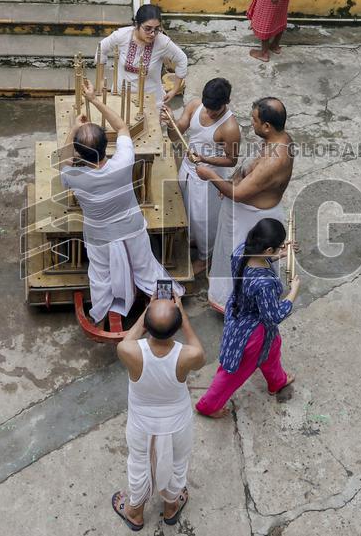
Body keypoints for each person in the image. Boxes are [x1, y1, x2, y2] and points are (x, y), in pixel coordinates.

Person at [59, 80, 183, 323]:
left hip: (99, 236)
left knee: (100, 275)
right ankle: (171, 303)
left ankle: (104, 310)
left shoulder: (73, 176)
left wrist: (73, 129)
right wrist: (95, 99)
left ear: (78, 153)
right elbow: (123, 127)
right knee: (147, 268)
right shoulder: (124, 161)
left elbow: (63, 158)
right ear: (107, 146)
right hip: (132, 229)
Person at [112, 297, 207, 531]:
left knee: (139, 464)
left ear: (146, 323)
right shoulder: (187, 355)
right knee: (177, 463)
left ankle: (134, 511)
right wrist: (182, 316)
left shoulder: (129, 351)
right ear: (177, 326)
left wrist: (147, 313)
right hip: (178, 424)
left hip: (141, 425)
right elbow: (200, 352)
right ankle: (171, 506)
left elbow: (129, 338)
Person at [198, 97, 294, 312]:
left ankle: (239, 306)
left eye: (254, 120)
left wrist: (210, 175)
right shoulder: (278, 138)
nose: (252, 123)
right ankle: (224, 297)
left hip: (253, 219)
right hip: (242, 211)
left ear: (267, 126)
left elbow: (239, 194)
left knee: (243, 263)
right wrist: (234, 178)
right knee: (229, 254)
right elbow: (249, 169)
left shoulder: (275, 159)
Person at [196, 219, 299, 418]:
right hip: (253, 332)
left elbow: (259, 259)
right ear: (267, 249)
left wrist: (280, 254)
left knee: (273, 347)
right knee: (234, 372)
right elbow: (273, 316)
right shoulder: (265, 284)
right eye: (277, 248)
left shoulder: (242, 250)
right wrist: (293, 292)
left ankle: (277, 381)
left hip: (239, 311)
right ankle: (208, 406)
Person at [161, 78, 241, 275]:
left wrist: (205, 159)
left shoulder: (230, 128)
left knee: (204, 219)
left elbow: (232, 160)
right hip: (188, 170)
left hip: (209, 176)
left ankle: (206, 257)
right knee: (186, 209)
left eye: (215, 109)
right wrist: (171, 122)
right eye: (208, 107)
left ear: (226, 102)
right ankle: (195, 238)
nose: (210, 112)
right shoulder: (195, 106)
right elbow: (174, 136)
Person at [97, 4, 188, 109]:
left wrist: (174, 90)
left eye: (157, 29)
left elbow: (182, 59)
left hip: (151, 99)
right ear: (137, 24)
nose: (152, 34)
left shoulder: (162, 42)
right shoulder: (122, 35)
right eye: (148, 28)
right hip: (121, 95)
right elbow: (101, 48)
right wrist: (100, 80)